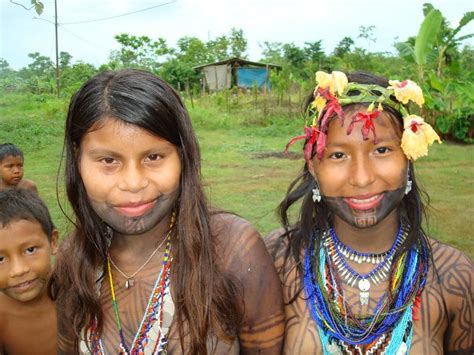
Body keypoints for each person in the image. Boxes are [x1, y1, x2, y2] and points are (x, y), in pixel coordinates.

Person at [49, 69, 284, 354]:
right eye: (109, 160)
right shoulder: (74, 258)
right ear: (78, 160)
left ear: (182, 156)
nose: (134, 183)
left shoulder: (233, 249)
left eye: (153, 157)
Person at [265, 70, 473, 354]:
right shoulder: (278, 261)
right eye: (338, 155)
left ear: (408, 156)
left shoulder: (454, 276)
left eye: (382, 150)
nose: (361, 179)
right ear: (314, 166)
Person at [0, 189, 58, 354]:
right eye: (0, 259)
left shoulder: (78, 290)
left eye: (30, 250)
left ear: (53, 242)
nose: (18, 270)